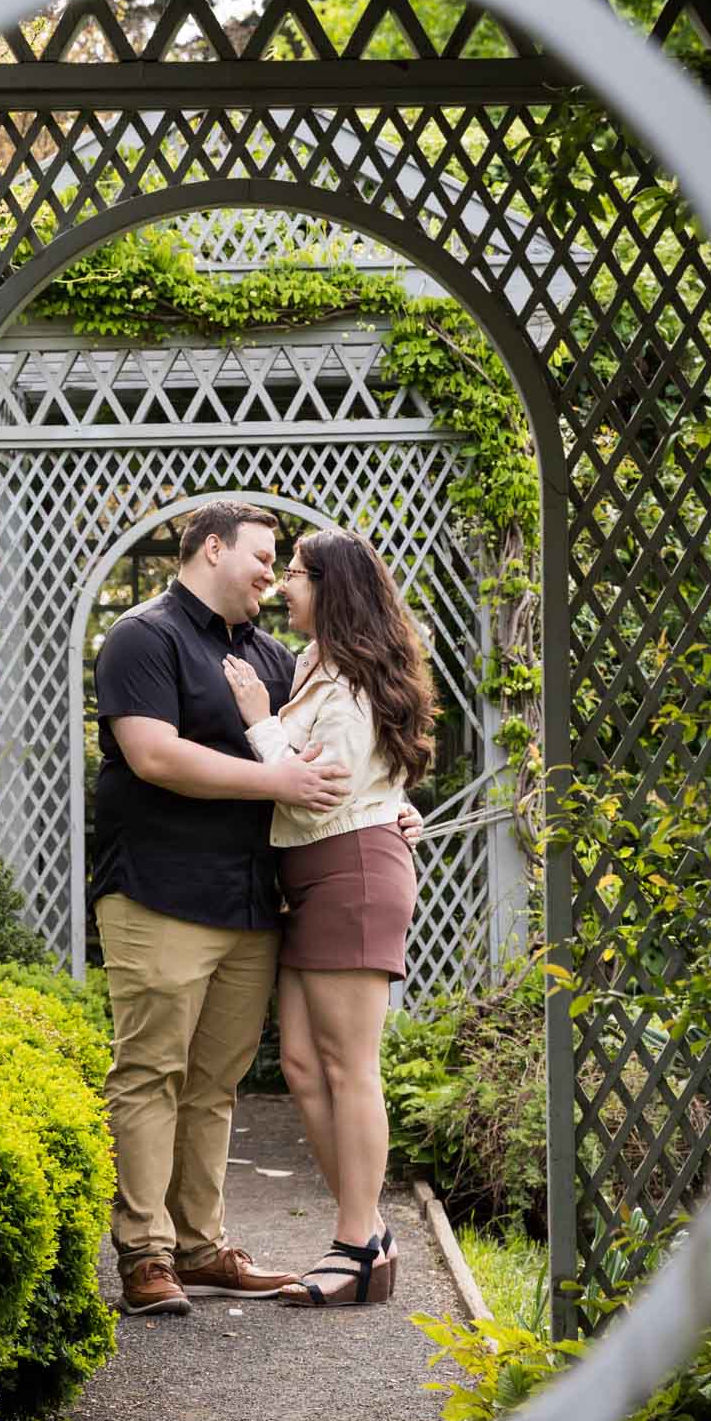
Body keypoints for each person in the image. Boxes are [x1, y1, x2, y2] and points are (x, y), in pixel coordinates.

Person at [93, 500, 420, 1318]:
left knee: (214, 1083)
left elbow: (337, 750)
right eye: (263, 559)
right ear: (211, 550)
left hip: (251, 901)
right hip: (160, 891)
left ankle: (201, 1247)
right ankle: (145, 1255)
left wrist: (390, 805)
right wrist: (275, 779)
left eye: (286, 566)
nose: (273, 579)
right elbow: (152, 754)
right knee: (149, 1073)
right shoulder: (144, 635)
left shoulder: (277, 660)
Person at [222, 528, 434, 1307]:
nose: (284, 586)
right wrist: (396, 802)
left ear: (333, 588)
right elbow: (368, 775)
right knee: (305, 1066)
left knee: (349, 1068)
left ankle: (352, 1242)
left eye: (300, 576)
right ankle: (368, 1233)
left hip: (349, 868)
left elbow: (322, 787)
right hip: (311, 873)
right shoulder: (315, 667)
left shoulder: (346, 681)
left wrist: (255, 716)